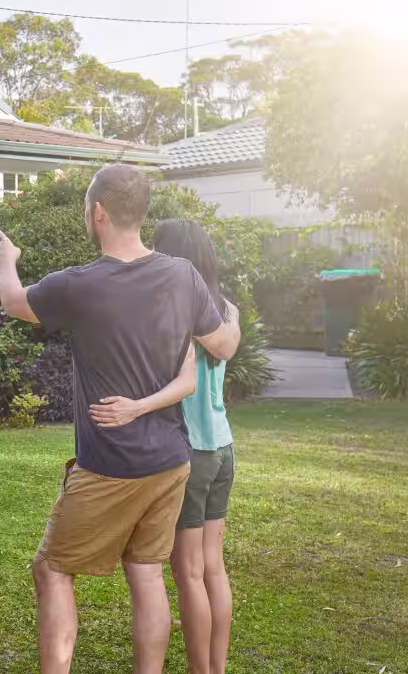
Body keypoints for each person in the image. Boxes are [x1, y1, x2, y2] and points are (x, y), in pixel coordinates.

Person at [0, 164, 241, 674]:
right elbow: (219, 344)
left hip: (109, 465)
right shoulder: (184, 275)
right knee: (147, 571)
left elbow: (13, 302)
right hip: (172, 462)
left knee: (53, 569)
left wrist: (7, 259)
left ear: (99, 212)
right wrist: (229, 319)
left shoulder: (79, 284)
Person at [152, 219, 238, 674]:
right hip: (223, 448)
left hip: (191, 452)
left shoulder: (177, 310)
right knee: (212, 568)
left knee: (187, 573)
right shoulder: (224, 309)